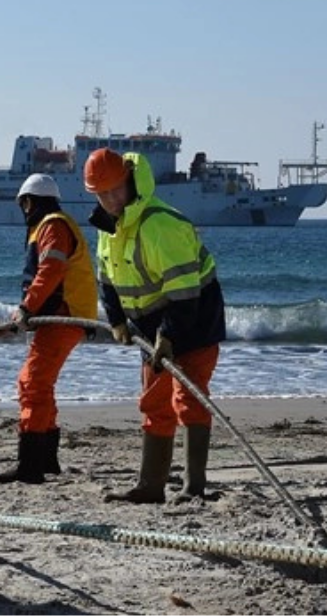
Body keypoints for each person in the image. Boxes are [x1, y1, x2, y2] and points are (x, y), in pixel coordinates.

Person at [84, 147, 227, 504]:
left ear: (129, 181)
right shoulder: (108, 228)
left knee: (189, 398)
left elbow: (184, 294)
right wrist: (116, 319)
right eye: (101, 195)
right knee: (153, 401)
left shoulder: (160, 224)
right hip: (151, 324)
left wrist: (169, 336)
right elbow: (106, 278)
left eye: (116, 190)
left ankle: (194, 487)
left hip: (194, 317)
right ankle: (151, 486)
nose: (111, 200)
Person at [0, 174, 98, 485]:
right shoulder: (55, 223)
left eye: (24, 203)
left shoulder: (52, 225)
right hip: (61, 316)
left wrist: (26, 309)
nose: (24, 210)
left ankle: (30, 465)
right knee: (41, 383)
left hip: (64, 317)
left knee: (32, 383)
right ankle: (47, 459)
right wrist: (21, 317)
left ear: (30, 201)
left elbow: (51, 269)